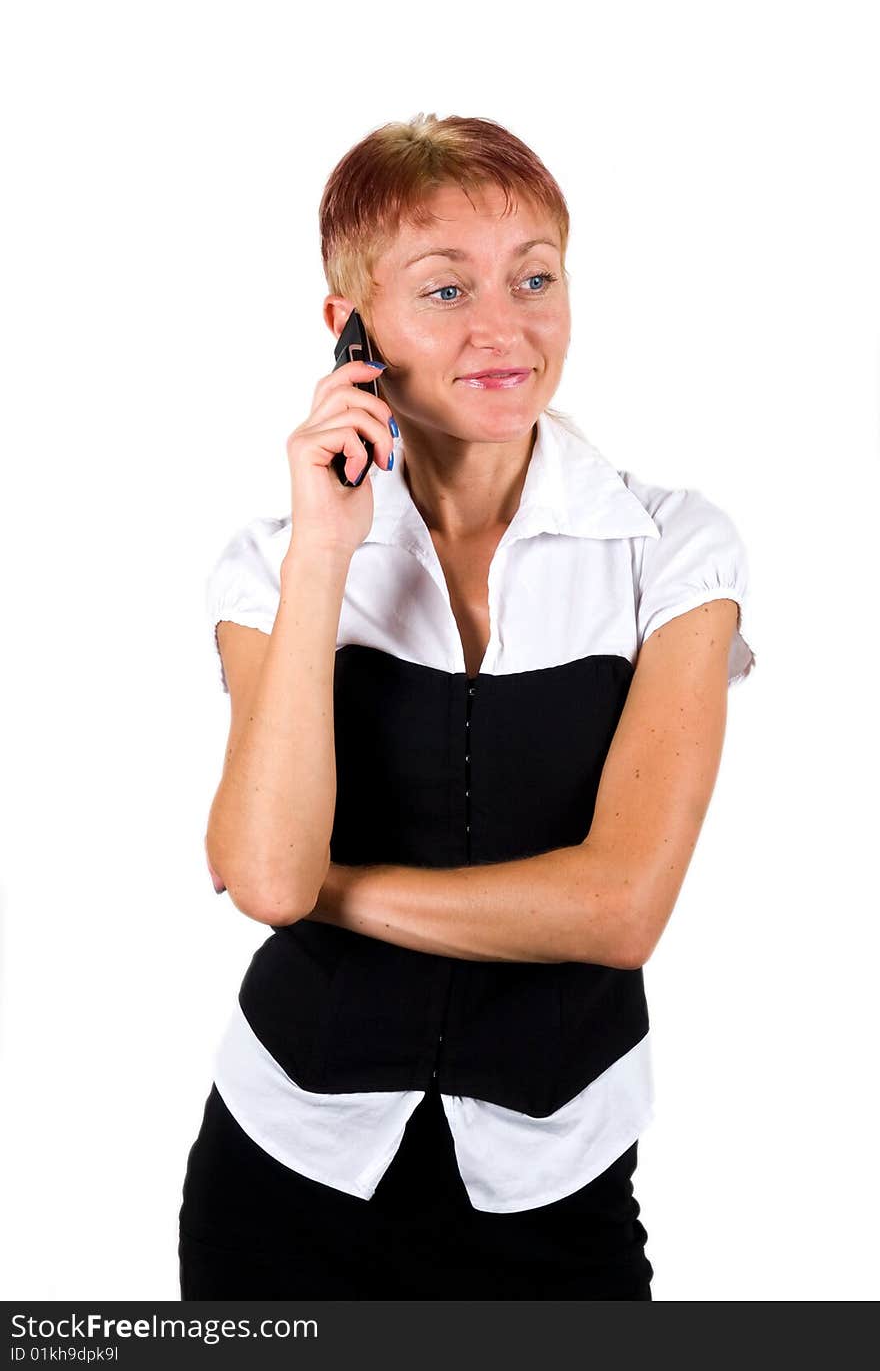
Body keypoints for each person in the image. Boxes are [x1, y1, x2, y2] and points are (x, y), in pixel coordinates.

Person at [177, 112, 756, 1301]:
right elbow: (264, 871)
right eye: (444, 290)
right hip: (284, 1173)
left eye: (534, 276)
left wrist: (325, 892)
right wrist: (327, 554)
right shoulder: (273, 565)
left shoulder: (670, 550)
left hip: (558, 1189)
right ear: (351, 329)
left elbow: (618, 910)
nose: (506, 328)